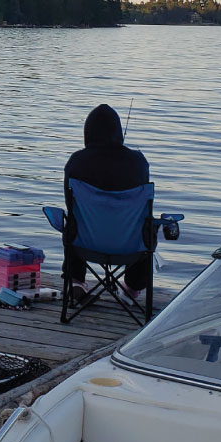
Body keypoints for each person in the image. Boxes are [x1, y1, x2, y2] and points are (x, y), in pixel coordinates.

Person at [63, 104, 149, 303]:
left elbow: (70, 205)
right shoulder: (138, 163)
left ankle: (76, 280)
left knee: (73, 220)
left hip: (85, 243)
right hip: (129, 246)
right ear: (118, 132)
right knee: (145, 226)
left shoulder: (76, 162)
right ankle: (131, 287)